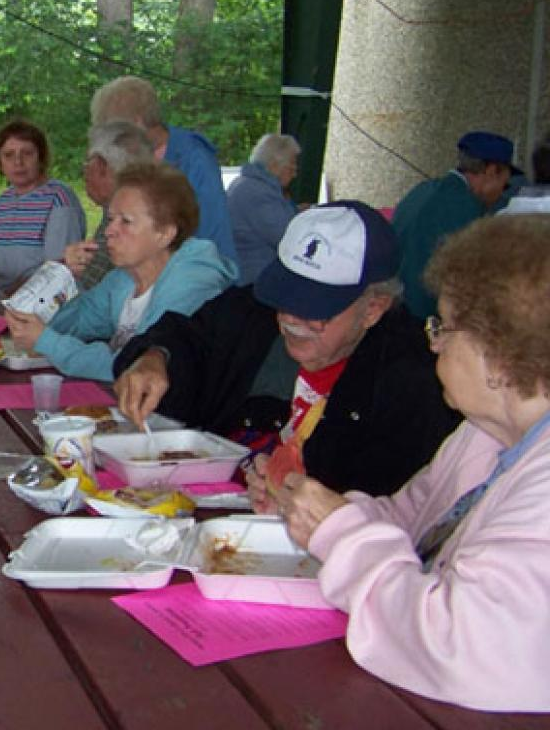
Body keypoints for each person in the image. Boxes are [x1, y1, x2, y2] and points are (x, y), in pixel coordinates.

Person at [249, 215, 550, 711]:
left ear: (498, 359)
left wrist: (341, 533)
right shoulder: (483, 434)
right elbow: (409, 522)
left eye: (444, 328)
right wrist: (314, 514)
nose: (432, 343)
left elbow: (463, 648)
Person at [114, 201, 460, 496]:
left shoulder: (414, 378)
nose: (293, 317)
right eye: (287, 295)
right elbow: (185, 336)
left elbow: (391, 504)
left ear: (374, 308)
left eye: (317, 307)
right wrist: (155, 357)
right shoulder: (251, 311)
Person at [6, 162, 236, 382]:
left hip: (176, 419)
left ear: (165, 233)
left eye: (125, 221)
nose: (109, 231)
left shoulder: (191, 284)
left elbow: (133, 367)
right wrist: (61, 276)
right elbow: (53, 326)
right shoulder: (123, 280)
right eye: (110, 219)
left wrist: (48, 342)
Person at [90, 76, 237, 261]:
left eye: (117, 131)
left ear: (137, 122)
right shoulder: (127, 157)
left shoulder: (195, 158)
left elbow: (209, 235)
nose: (111, 140)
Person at [393, 130, 520, 319]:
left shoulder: (421, 191)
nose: (502, 192)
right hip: (425, 324)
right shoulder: (468, 208)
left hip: (391, 314)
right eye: (505, 184)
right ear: (492, 171)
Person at [0, 119, 86, 293]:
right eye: (8, 155)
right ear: (0, 163)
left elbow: (57, 270)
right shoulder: (6, 200)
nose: (18, 162)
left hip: (43, 305)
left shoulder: (59, 198)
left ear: (41, 157)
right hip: (4, 297)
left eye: (27, 153)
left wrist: (5, 298)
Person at [62, 120, 158, 290]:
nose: (84, 170)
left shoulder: (119, 223)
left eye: (87, 162)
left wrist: (64, 269)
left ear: (101, 166)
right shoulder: (148, 209)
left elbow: (83, 293)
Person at [227, 133, 301, 285]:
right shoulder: (258, 193)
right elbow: (287, 238)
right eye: (291, 166)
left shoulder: (247, 184)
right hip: (254, 281)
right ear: (274, 165)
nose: (295, 173)